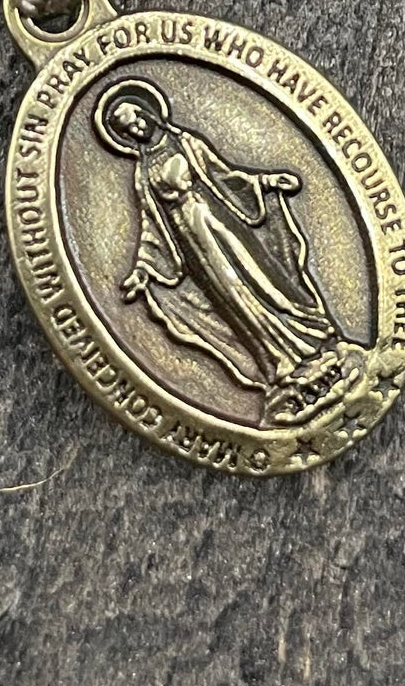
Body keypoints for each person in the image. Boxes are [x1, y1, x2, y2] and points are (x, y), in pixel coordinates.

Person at [94, 77, 353, 428]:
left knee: (262, 284)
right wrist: (143, 270)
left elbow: (227, 176)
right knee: (235, 304)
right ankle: (281, 365)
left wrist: (266, 182)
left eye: (137, 117)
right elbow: (151, 224)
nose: (137, 127)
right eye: (128, 128)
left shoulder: (186, 143)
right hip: (195, 248)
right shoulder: (143, 174)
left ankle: (312, 340)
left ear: (149, 113)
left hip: (223, 226)